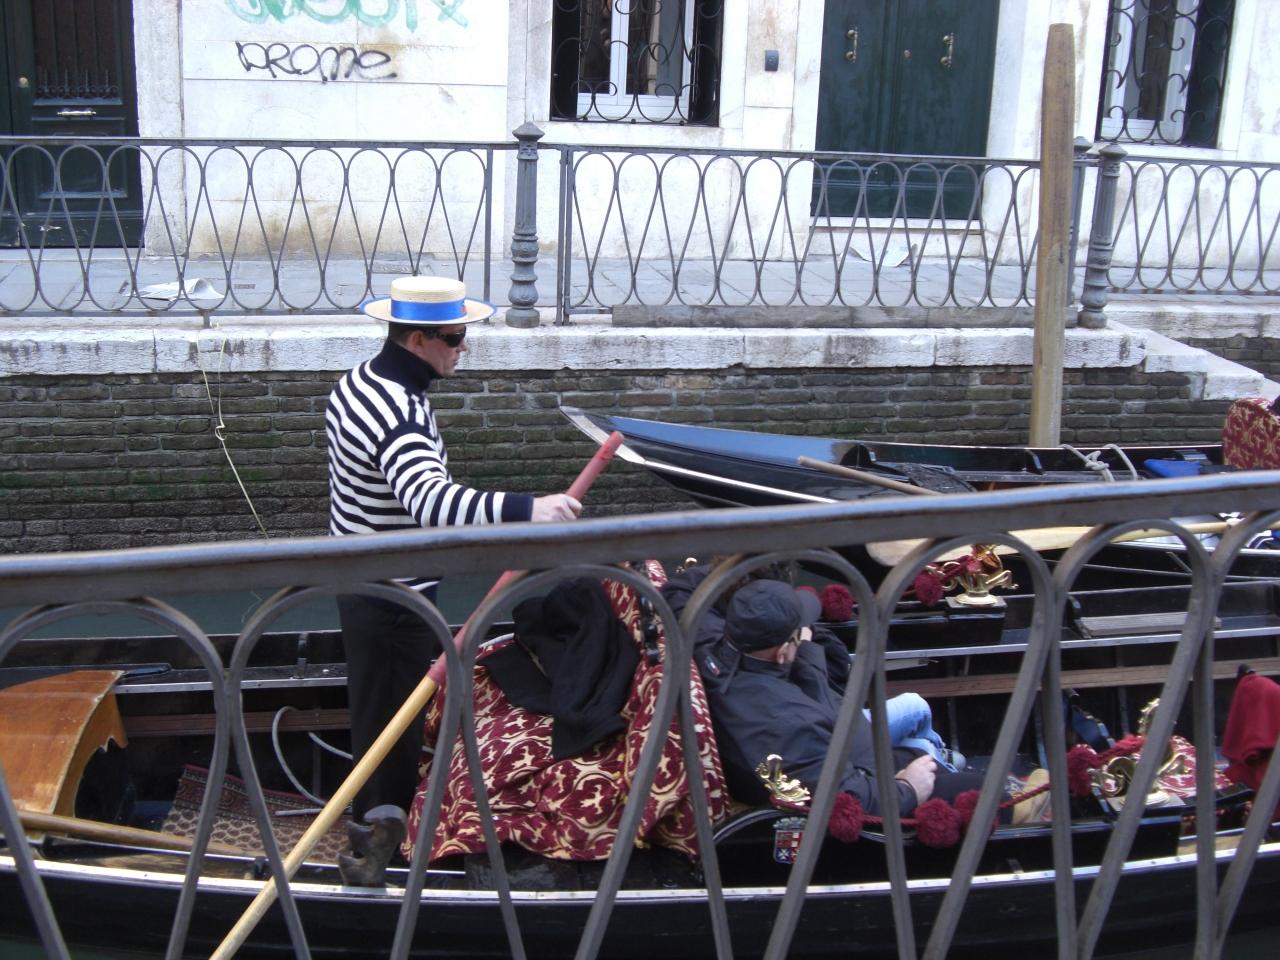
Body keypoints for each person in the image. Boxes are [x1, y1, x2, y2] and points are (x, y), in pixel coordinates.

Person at [326, 275, 582, 820]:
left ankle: (377, 822)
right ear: (417, 339)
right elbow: (432, 504)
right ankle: (384, 841)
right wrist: (530, 509)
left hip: (359, 579)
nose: (464, 347)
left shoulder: (356, 382)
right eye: (455, 336)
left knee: (378, 718)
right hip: (394, 597)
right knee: (392, 734)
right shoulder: (400, 414)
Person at [662, 569, 984, 816]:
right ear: (782, 652)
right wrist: (907, 789)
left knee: (918, 731)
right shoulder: (786, 727)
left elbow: (680, 590)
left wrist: (755, 595)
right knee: (980, 787)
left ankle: (932, 752)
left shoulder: (711, 643)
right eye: (798, 633)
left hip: (843, 737)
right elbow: (844, 798)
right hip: (859, 772)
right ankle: (938, 758)